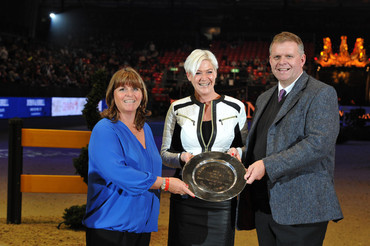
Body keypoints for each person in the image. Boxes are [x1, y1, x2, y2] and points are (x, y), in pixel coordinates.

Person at [237, 32, 343, 245]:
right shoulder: (264, 97)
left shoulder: (321, 93)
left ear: (302, 60)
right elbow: (261, 140)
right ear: (269, 60)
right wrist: (240, 153)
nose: (282, 62)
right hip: (265, 205)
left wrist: (267, 165)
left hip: (302, 209)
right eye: (276, 57)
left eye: (289, 56)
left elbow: (317, 144)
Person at [82, 67, 194, 246]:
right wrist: (165, 183)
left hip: (141, 226)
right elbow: (118, 173)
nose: (130, 94)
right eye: (122, 89)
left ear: (142, 94)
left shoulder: (145, 129)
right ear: (112, 96)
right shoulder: (104, 129)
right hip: (110, 227)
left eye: (135, 88)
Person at [161, 49, 248, 246]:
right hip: (186, 195)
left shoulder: (236, 107)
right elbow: (164, 155)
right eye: (197, 72)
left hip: (223, 197)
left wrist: (238, 153)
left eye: (209, 71)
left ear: (216, 73)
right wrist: (182, 157)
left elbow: (247, 147)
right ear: (189, 76)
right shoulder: (177, 109)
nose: (204, 78)